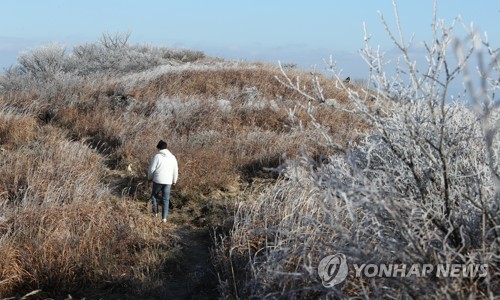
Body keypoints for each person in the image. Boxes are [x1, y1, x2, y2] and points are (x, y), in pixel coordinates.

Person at [147, 140, 178, 223]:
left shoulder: (157, 156)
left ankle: (155, 213)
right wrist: (174, 180)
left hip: (158, 180)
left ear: (159, 148)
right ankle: (164, 219)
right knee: (166, 199)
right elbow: (175, 170)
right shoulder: (173, 157)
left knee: (154, 196)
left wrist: (149, 177)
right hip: (168, 181)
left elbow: (152, 169)